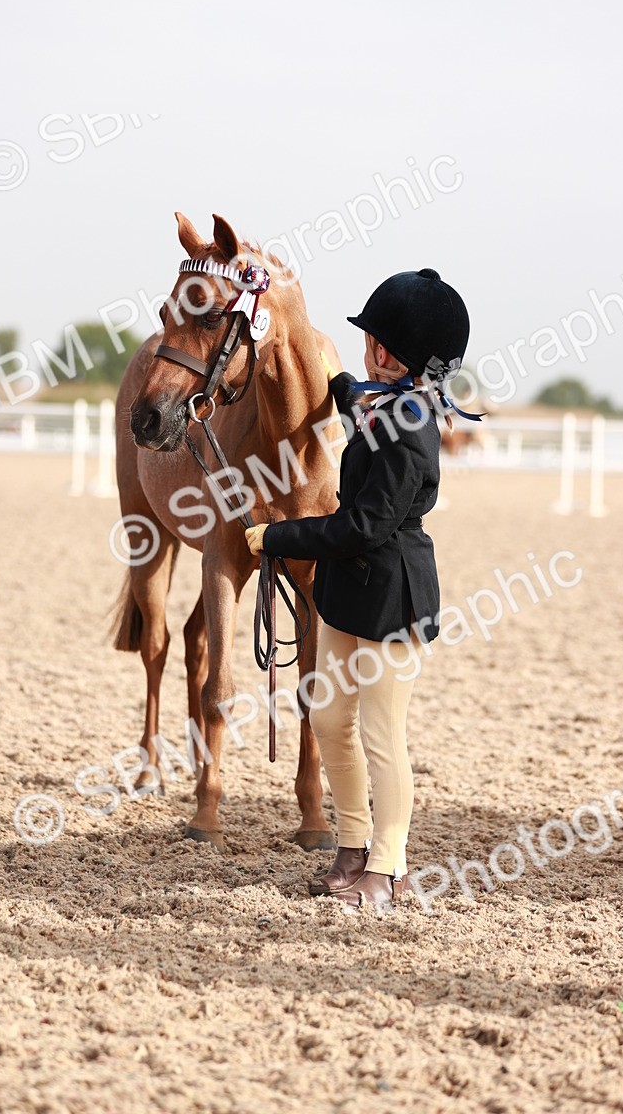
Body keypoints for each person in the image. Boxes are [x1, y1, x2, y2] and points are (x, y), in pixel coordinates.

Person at [244, 268, 474, 910]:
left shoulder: (411, 427)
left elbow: (362, 525)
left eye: (380, 344)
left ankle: (388, 867)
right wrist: (332, 375)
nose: (371, 351)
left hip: (391, 600)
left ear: (403, 357)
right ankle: (352, 843)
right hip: (350, 596)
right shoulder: (387, 404)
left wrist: (277, 538)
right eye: (371, 341)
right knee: (329, 719)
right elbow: (355, 404)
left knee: (380, 733)